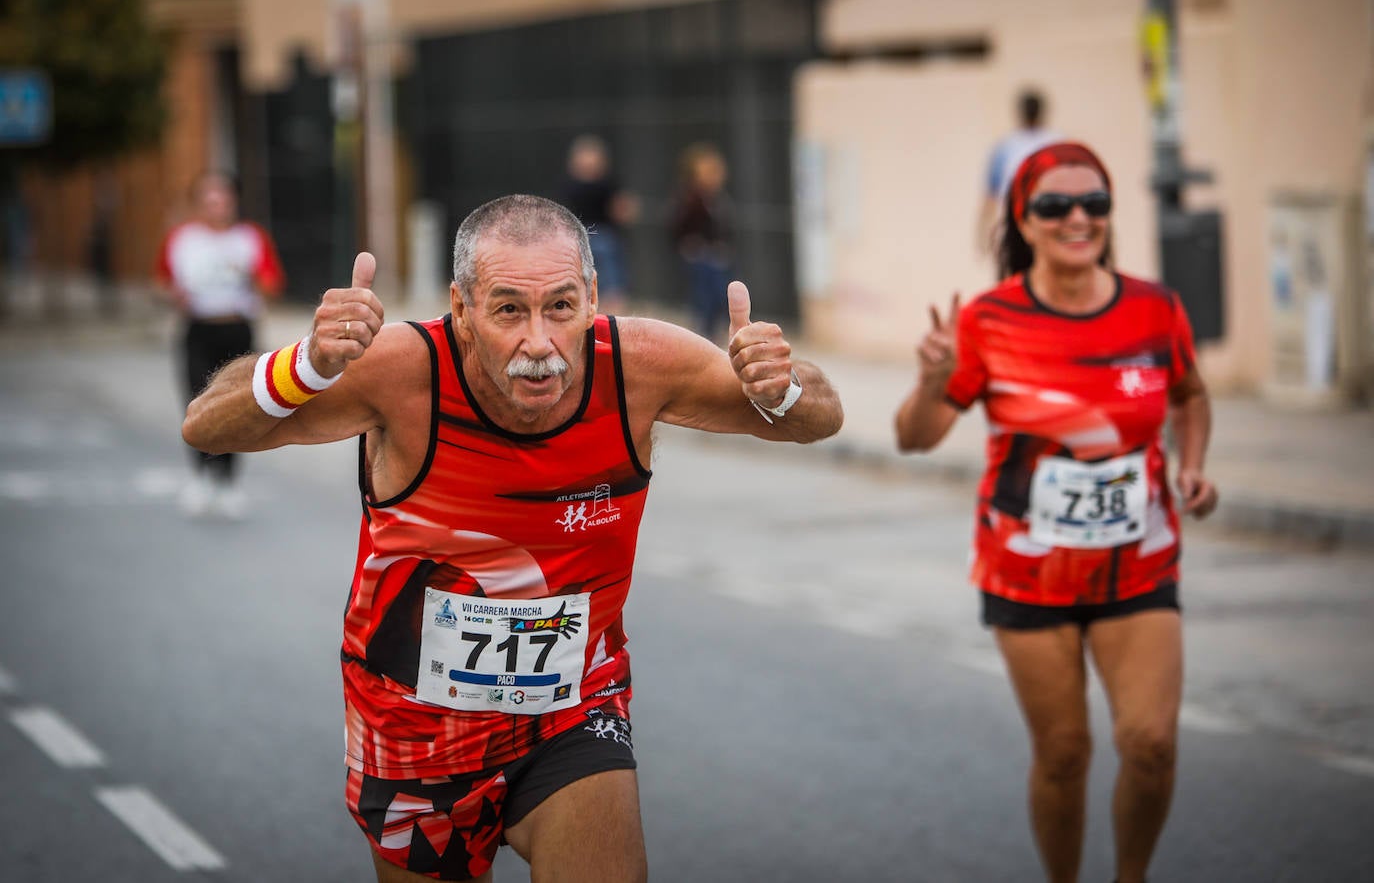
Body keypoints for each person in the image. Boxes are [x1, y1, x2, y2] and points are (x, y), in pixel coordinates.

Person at [181, 194, 842, 882]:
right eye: (507, 310)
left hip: (572, 707)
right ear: (461, 310)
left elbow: (819, 417)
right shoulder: (403, 371)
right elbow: (206, 424)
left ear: (590, 298)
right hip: (415, 727)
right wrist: (308, 364)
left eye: (560, 306)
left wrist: (782, 385)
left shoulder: (641, 365)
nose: (539, 342)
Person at [895, 142, 1218, 883]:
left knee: (1150, 742)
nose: (1079, 217)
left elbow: (1190, 394)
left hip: (1140, 560)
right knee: (1065, 752)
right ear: (1025, 219)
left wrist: (1193, 465)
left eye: (1094, 202)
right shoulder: (987, 319)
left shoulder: (1154, 309)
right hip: (1026, 571)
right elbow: (915, 438)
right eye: (1056, 205)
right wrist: (932, 380)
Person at [156, 170, 285, 519]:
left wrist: (250, 278)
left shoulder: (249, 238)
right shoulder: (183, 239)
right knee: (196, 402)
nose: (216, 205)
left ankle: (229, 481)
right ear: (198, 203)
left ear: (233, 200)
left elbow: (272, 286)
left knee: (239, 407)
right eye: (208, 198)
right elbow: (162, 284)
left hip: (237, 330)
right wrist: (175, 295)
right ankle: (200, 477)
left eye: (222, 197)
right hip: (198, 329)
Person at [558, 135, 638, 315]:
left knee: (605, 281)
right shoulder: (590, 185)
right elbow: (623, 210)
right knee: (606, 281)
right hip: (590, 237)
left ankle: (609, 311)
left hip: (594, 237)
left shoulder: (597, 184)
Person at [976, 88, 1060, 257]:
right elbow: (992, 194)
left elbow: (991, 196)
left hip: (1048, 221)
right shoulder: (1007, 145)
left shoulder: (1055, 142)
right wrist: (983, 232)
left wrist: (983, 231)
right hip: (1017, 223)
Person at [670, 142, 733, 341]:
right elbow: (678, 226)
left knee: (719, 297)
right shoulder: (691, 198)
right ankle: (704, 336)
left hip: (716, 255)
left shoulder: (715, 198)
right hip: (701, 256)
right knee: (704, 298)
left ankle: (712, 334)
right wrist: (692, 245)